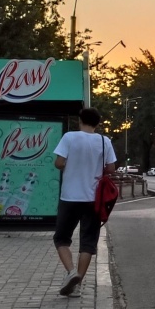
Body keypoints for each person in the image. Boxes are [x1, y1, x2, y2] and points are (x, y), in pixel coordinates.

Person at [52, 107, 117, 297]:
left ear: (80, 120)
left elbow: (58, 163)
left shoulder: (69, 137)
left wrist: (69, 166)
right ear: (97, 123)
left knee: (61, 238)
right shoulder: (105, 141)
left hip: (70, 197)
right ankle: (78, 282)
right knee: (88, 242)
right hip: (93, 199)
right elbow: (111, 168)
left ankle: (71, 272)